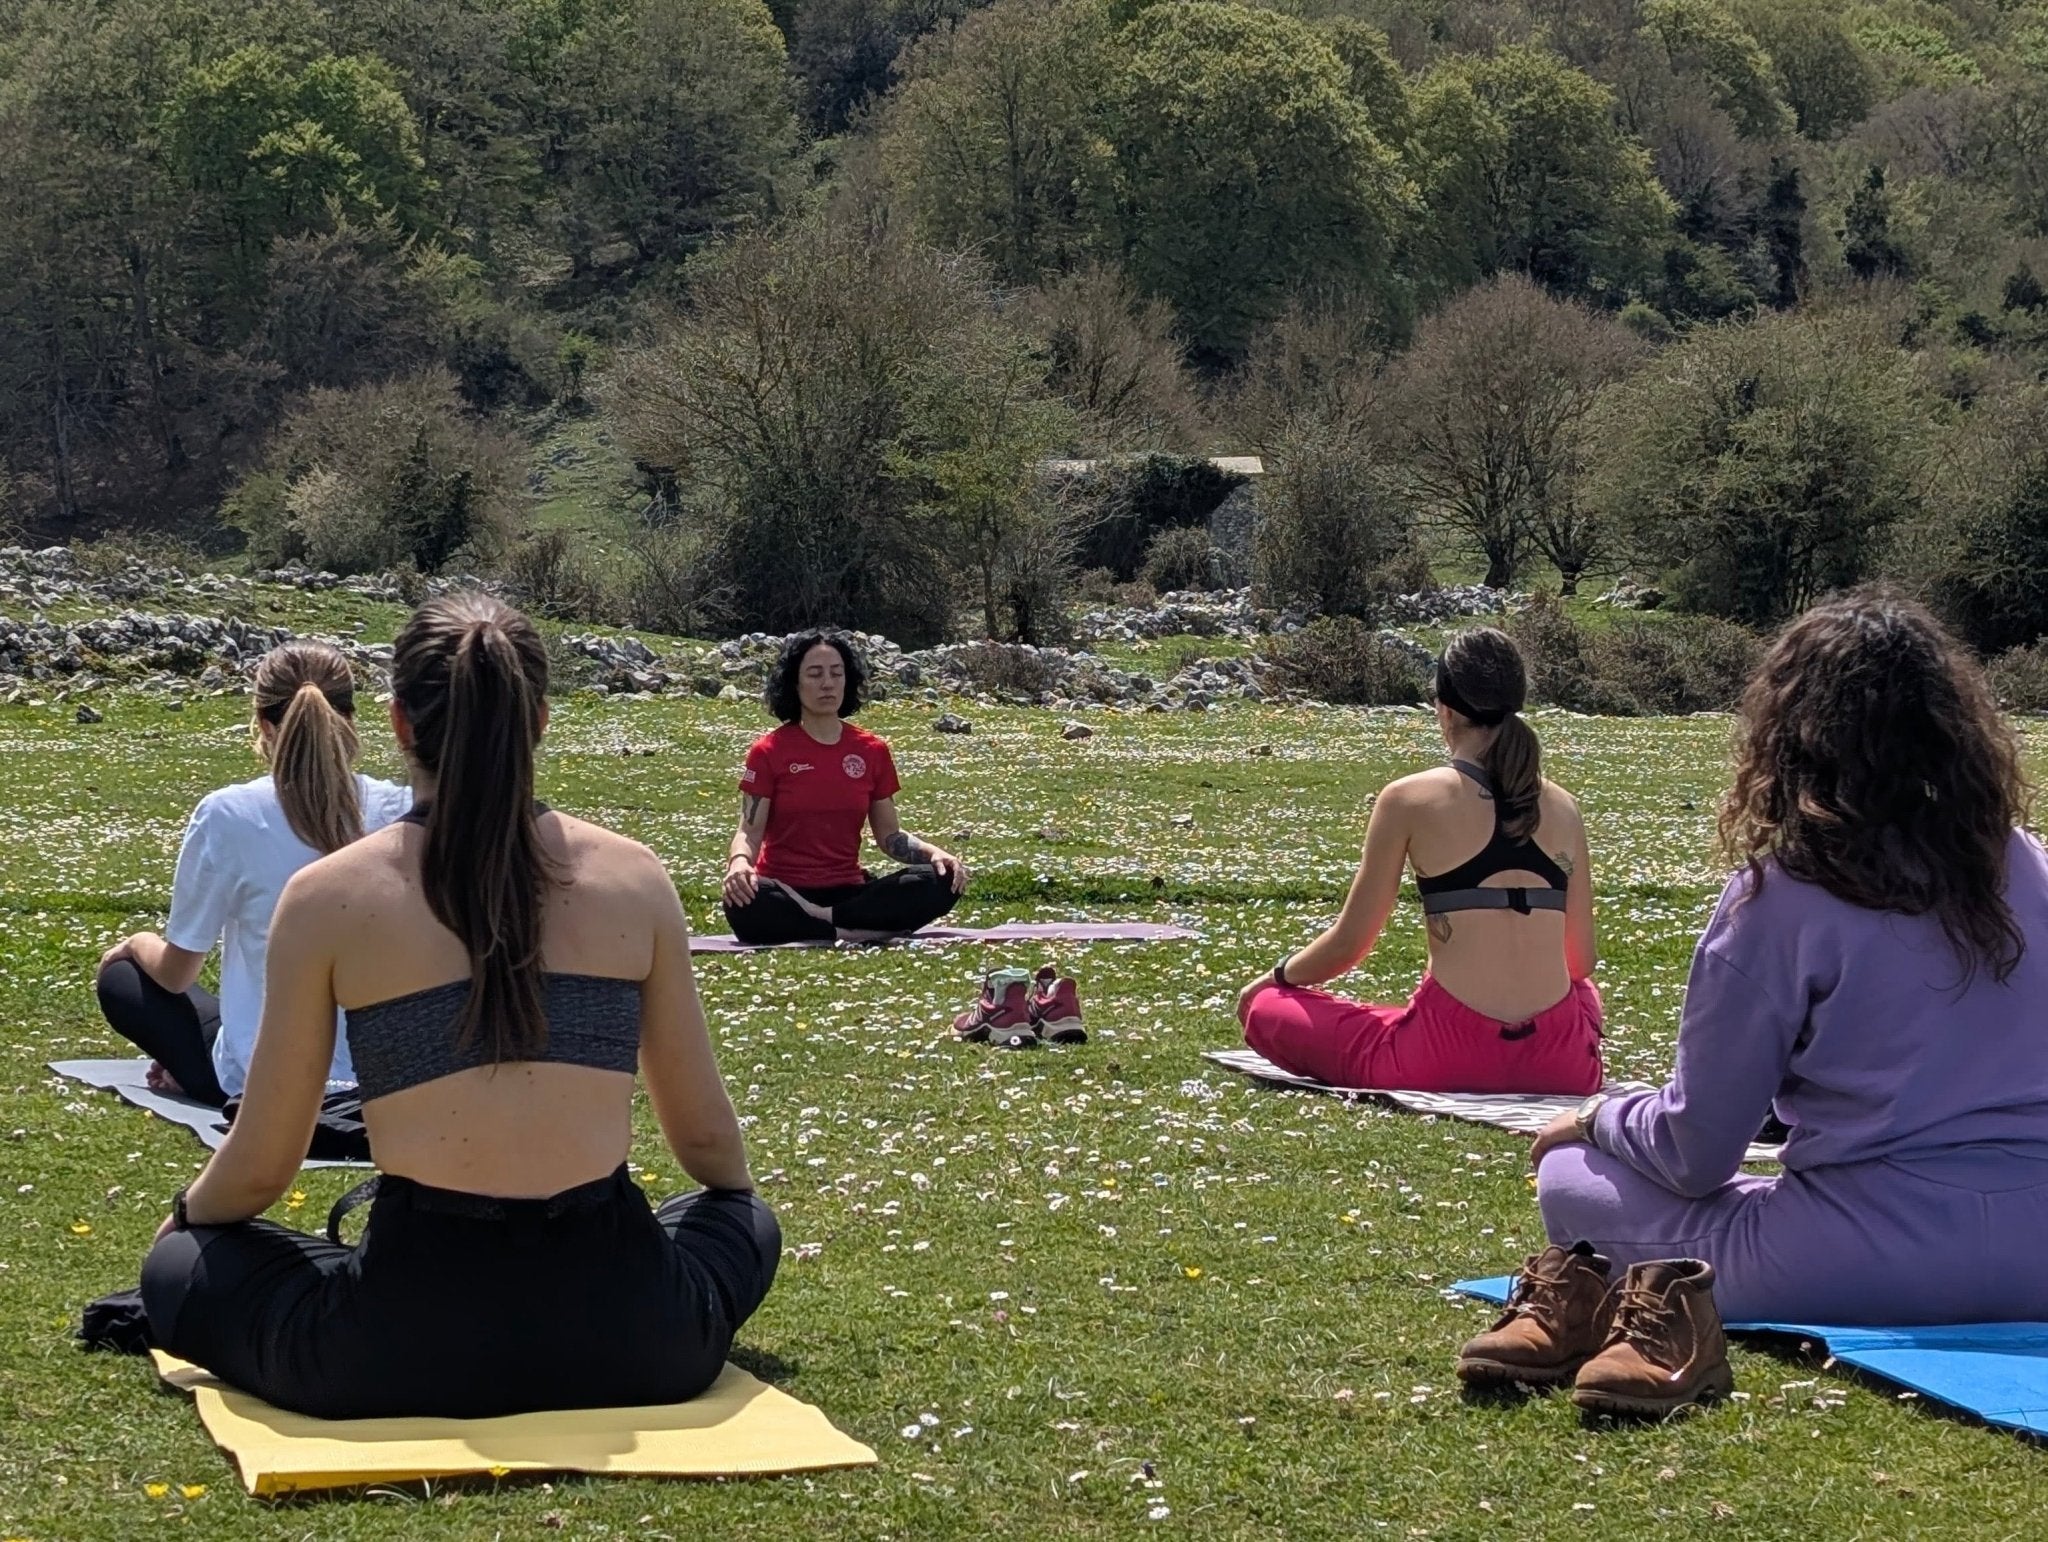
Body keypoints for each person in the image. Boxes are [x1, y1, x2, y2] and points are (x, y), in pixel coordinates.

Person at [139, 594, 778, 1419]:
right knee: (742, 1219)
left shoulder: (329, 897)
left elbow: (262, 1166)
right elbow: (707, 1146)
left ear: (401, 724)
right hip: (636, 1337)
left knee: (178, 1267)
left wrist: (184, 1223)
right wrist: (722, 1214)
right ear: (540, 720)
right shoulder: (634, 876)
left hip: (400, 1346)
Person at [1528, 588, 2048, 1327]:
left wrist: (1599, 1117)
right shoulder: (2033, 868)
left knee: (1568, 1174)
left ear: (1790, 734)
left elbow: (1695, 1151)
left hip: (1869, 1261)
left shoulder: (1784, 894)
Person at [1235, 626, 1601, 1095]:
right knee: (1584, 997)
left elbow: (1350, 945)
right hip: (1562, 1063)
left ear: (1443, 709)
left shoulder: (1409, 798)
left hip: (1443, 1056)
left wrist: (1274, 978)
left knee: (1267, 1008)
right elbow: (1580, 962)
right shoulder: (1564, 806)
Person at [95, 641, 411, 1107]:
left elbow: (177, 974)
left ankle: (197, 1071)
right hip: (383, 1073)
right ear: (350, 717)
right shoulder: (399, 808)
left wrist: (135, 944)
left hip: (264, 1078)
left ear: (263, 723)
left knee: (122, 977)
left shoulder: (228, 814)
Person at [722, 628, 967, 945]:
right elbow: (748, 832)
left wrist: (936, 855)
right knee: (744, 902)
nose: (827, 683)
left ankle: (824, 923)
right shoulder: (768, 751)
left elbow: (890, 837)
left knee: (942, 880)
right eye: (814, 674)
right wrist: (739, 864)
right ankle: (855, 931)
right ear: (794, 683)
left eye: (836, 673)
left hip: (850, 891)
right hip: (785, 890)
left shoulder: (871, 750)